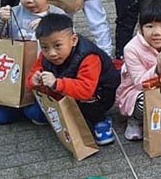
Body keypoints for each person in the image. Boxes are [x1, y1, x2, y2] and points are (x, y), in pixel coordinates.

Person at [26, 13, 121, 146]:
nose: (51, 53)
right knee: (33, 113)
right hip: (66, 90)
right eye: (45, 47)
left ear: (74, 40)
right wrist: (33, 80)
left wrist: (56, 83)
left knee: (88, 102)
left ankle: (100, 121)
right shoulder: (45, 56)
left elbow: (86, 90)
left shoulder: (89, 57)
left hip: (99, 95)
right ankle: (70, 116)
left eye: (58, 45)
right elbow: (31, 75)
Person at [116, 0, 161, 141]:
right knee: (144, 100)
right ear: (141, 29)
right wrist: (157, 69)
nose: (157, 32)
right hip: (139, 90)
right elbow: (138, 83)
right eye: (149, 26)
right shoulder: (131, 49)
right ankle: (136, 120)